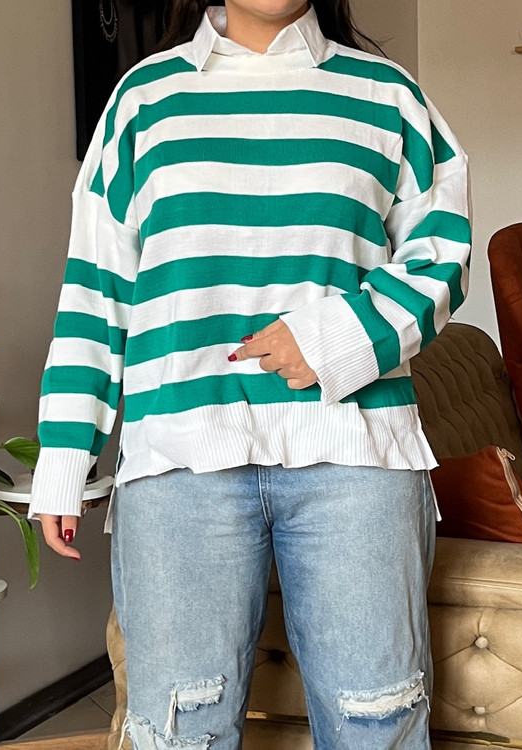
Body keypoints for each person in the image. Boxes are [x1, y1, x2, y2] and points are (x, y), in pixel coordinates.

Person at [30, 1, 471, 747]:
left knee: (380, 725)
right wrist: (66, 455)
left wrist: (333, 339)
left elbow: (443, 255)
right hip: (177, 463)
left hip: (355, 455)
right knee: (178, 733)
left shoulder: (388, 95)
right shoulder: (144, 100)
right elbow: (96, 289)